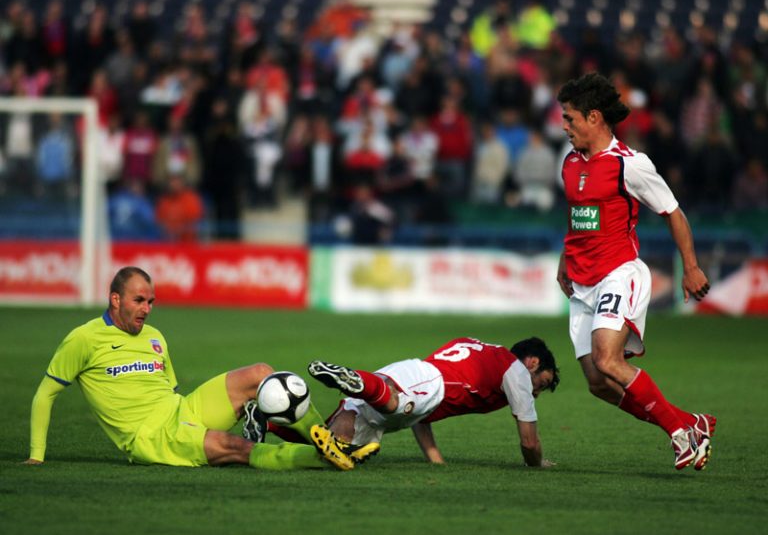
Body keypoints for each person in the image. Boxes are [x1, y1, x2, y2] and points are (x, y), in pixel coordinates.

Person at [25, 266, 378, 471]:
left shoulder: (154, 336)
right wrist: (36, 457)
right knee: (237, 449)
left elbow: (170, 391)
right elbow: (45, 394)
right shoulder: (83, 339)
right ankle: (323, 458)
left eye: (150, 301)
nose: (146, 309)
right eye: (138, 301)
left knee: (261, 373)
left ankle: (329, 439)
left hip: (181, 410)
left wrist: (190, 416)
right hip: (152, 438)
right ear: (115, 299)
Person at [555, 73, 714, 471]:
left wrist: (691, 267)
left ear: (594, 117)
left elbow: (672, 212)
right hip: (582, 283)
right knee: (597, 382)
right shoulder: (571, 162)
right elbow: (579, 218)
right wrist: (564, 260)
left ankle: (680, 439)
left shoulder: (631, 164)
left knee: (609, 360)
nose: (564, 126)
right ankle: (689, 424)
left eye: (570, 118)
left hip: (619, 272)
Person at [307, 336, 559, 467]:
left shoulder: (481, 348)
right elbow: (529, 442)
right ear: (532, 363)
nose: (535, 392)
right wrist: (537, 463)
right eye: (541, 384)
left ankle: (275, 419)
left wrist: (435, 459)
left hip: (416, 384)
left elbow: (423, 414)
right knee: (394, 401)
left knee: (328, 445)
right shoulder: (515, 370)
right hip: (427, 381)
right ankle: (358, 382)